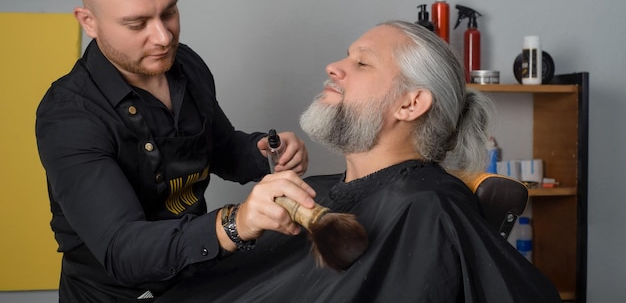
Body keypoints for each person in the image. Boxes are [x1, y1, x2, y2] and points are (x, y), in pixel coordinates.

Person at [156, 21, 562, 302]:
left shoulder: (426, 209)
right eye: (347, 57)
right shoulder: (316, 191)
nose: (334, 67)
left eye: (362, 62)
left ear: (411, 103)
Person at [35, 0, 316, 302]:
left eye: (169, 12)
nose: (164, 36)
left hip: (194, 281)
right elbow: (125, 249)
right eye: (137, 24)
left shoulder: (186, 65)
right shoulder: (68, 115)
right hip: (111, 293)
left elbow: (221, 148)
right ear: (89, 22)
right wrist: (236, 223)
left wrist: (267, 154)